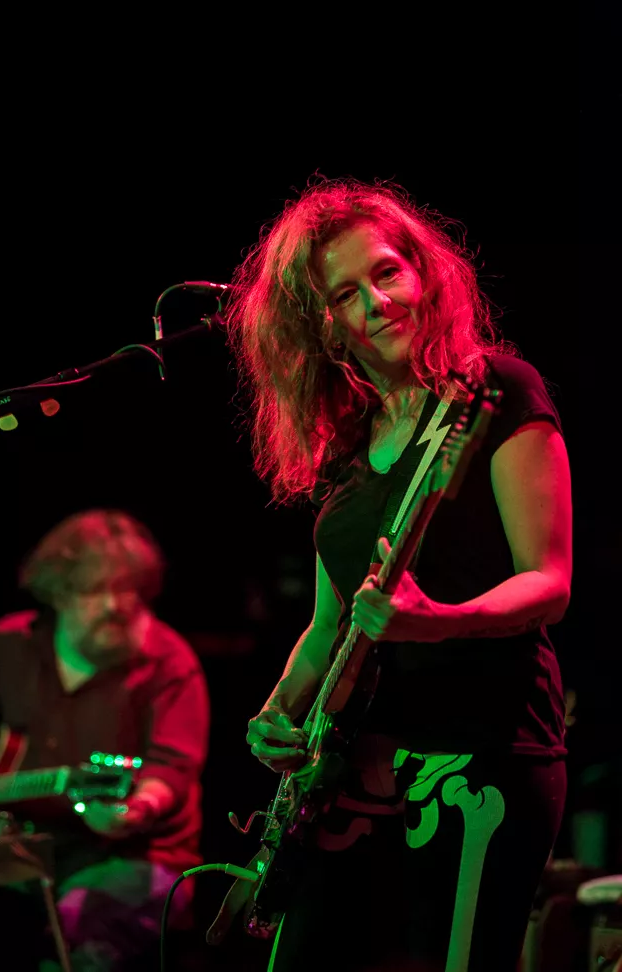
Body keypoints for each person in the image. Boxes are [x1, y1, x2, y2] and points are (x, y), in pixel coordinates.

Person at [219, 178, 573, 971]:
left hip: (479, 756)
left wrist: (434, 622)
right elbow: (328, 626)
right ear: (319, 324)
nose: (376, 302)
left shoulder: (497, 390)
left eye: (386, 272)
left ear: (422, 272)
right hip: (352, 774)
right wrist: (277, 712)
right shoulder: (344, 446)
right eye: (345, 294)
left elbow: (547, 582)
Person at [0, 509, 210, 971]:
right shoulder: (7, 646)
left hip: (134, 854)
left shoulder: (169, 662)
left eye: (127, 589)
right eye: (95, 590)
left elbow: (172, 767)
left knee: (83, 929)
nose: (115, 605)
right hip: (22, 841)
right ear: (59, 593)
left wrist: (138, 807)